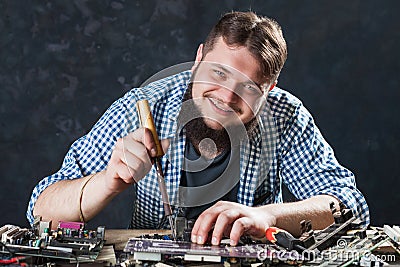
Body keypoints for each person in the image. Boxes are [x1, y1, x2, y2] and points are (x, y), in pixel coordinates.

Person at [27, 11, 369, 246]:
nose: (225, 96)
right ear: (199, 57)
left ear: (270, 89)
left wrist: (264, 216)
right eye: (218, 73)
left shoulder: (286, 117)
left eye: (248, 87)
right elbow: (40, 212)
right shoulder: (145, 105)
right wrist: (107, 182)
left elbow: (350, 208)